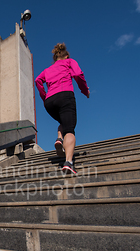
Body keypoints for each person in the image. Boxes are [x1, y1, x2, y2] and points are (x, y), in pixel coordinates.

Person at [35, 43, 90, 174]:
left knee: (63, 123)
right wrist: (85, 90)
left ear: (55, 58)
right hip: (65, 95)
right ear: (66, 56)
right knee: (70, 129)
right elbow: (78, 74)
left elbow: (38, 80)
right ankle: (69, 162)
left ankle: (60, 138)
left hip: (50, 102)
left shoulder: (47, 70)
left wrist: (45, 97)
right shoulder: (69, 62)